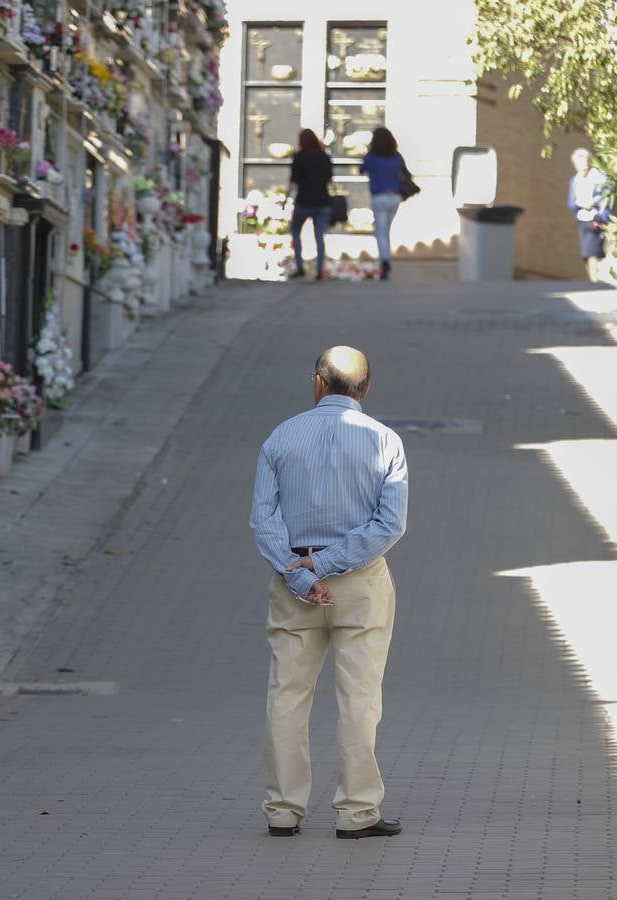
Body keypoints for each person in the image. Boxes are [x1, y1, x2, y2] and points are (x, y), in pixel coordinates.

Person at [249, 346, 408, 840]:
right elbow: (390, 524)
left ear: (317, 383)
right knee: (359, 697)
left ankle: (283, 810)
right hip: (361, 583)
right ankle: (357, 811)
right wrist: (330, 563)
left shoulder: (281, 436)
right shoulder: (385, 440)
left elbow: (263, 520)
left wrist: (302, 573)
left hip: (292, 580)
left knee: (287, 694)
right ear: (366, 388)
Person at [358, 128, 406, 281]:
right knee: (386, 230)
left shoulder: (371, 157)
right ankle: (386, 259)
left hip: (379, 196)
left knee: (381, 232)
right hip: (395, 196)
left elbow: (361, 169)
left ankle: (385, 261)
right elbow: (405, 172)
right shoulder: (396, 156)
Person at [288, 129, 333, 280]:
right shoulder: (324, 157)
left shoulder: (299, 157)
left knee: (295, 231)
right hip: (322, 201)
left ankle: (299, 266)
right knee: (319, 237)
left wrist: (287, 198)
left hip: (304, 201)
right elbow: (329, 178)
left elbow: (293, 180)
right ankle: (319, 269)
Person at [567, 148, 610, 281]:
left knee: (592, 251)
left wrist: (593, 202)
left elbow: (607, 194)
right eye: (580, 162)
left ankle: (595, 281)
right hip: (582, 219)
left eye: (585, 161)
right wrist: (580, 203)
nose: (583, 165)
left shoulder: (600, 177)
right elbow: (571, 203)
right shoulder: (575, 181)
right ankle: (594, 279)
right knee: (587, 254)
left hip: (596, 217)